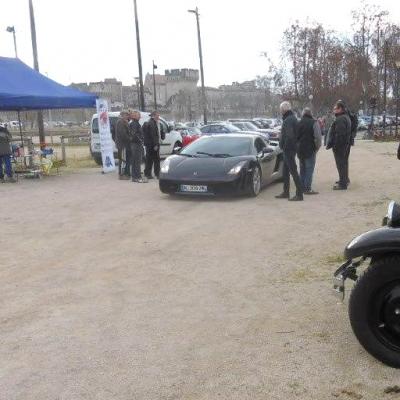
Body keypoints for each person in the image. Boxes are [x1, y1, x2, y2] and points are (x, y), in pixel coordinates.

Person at [275, 101, 303, 201]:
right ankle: (286, 192)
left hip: (288, 149)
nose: (280, 111)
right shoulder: (292, 118)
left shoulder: (288, 120)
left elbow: (290, 136)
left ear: (283, 110)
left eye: (280, 110)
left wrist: (284, 146)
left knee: (293, 171)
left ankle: (299, 194)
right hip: (291, 148)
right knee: (286, 171)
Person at [326, 100, 352, 190]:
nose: (333, 110)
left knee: (341, 164)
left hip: (340, 146)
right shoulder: (345, 117)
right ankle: (344, 180)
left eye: (335, 108)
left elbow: (340, 135)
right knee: (344, 164)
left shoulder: (341, 119)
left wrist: (335, 146)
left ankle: (343, 184)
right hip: (345, 145)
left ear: (340, 109)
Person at [297, 108, 322, 194]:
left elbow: (296, 137)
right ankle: (307, 188)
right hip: (310, 150)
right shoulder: (314, 123)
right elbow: (318, 137)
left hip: (300, 150)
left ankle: (301, 187)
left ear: (303, 114)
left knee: (302, 169)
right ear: (311, 114)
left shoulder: (299, 123)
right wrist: (317, 148)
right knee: (309, 169)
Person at [143, 111, 164, 179]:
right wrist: (155, 145)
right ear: (153, 116)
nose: (158, 117)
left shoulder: (157, 123)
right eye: (157, 115)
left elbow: (159, 133)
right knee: (152, 159)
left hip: (153, 144)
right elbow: (153, 135)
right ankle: (152, 173)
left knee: (153, 159)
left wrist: (162, 135)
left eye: (158, 115)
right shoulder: (151, 123)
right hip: (152, 144)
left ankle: (151, 173)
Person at [128, 110, 147, 183]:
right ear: (135, 116)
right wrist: (141, 140)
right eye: (138, 115)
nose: (140, 116)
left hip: (135, 144)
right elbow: (134, 134)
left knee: (135, 161)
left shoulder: (134, 123)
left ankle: (135, 176)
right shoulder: (134, 124)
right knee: (137, 161)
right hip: (136, 144)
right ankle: (137, 177)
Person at [115, 110, 131, 180]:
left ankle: (125, 173)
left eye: (128, 115)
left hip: (125, 144)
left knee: (125, 159)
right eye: (126, 115)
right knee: (123, 159)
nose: (127, 116)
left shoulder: (125, 122)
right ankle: (121, 175)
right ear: (122, 115)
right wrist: (130, 138)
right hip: (122, 144)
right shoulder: (120, 122)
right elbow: (123, 134)